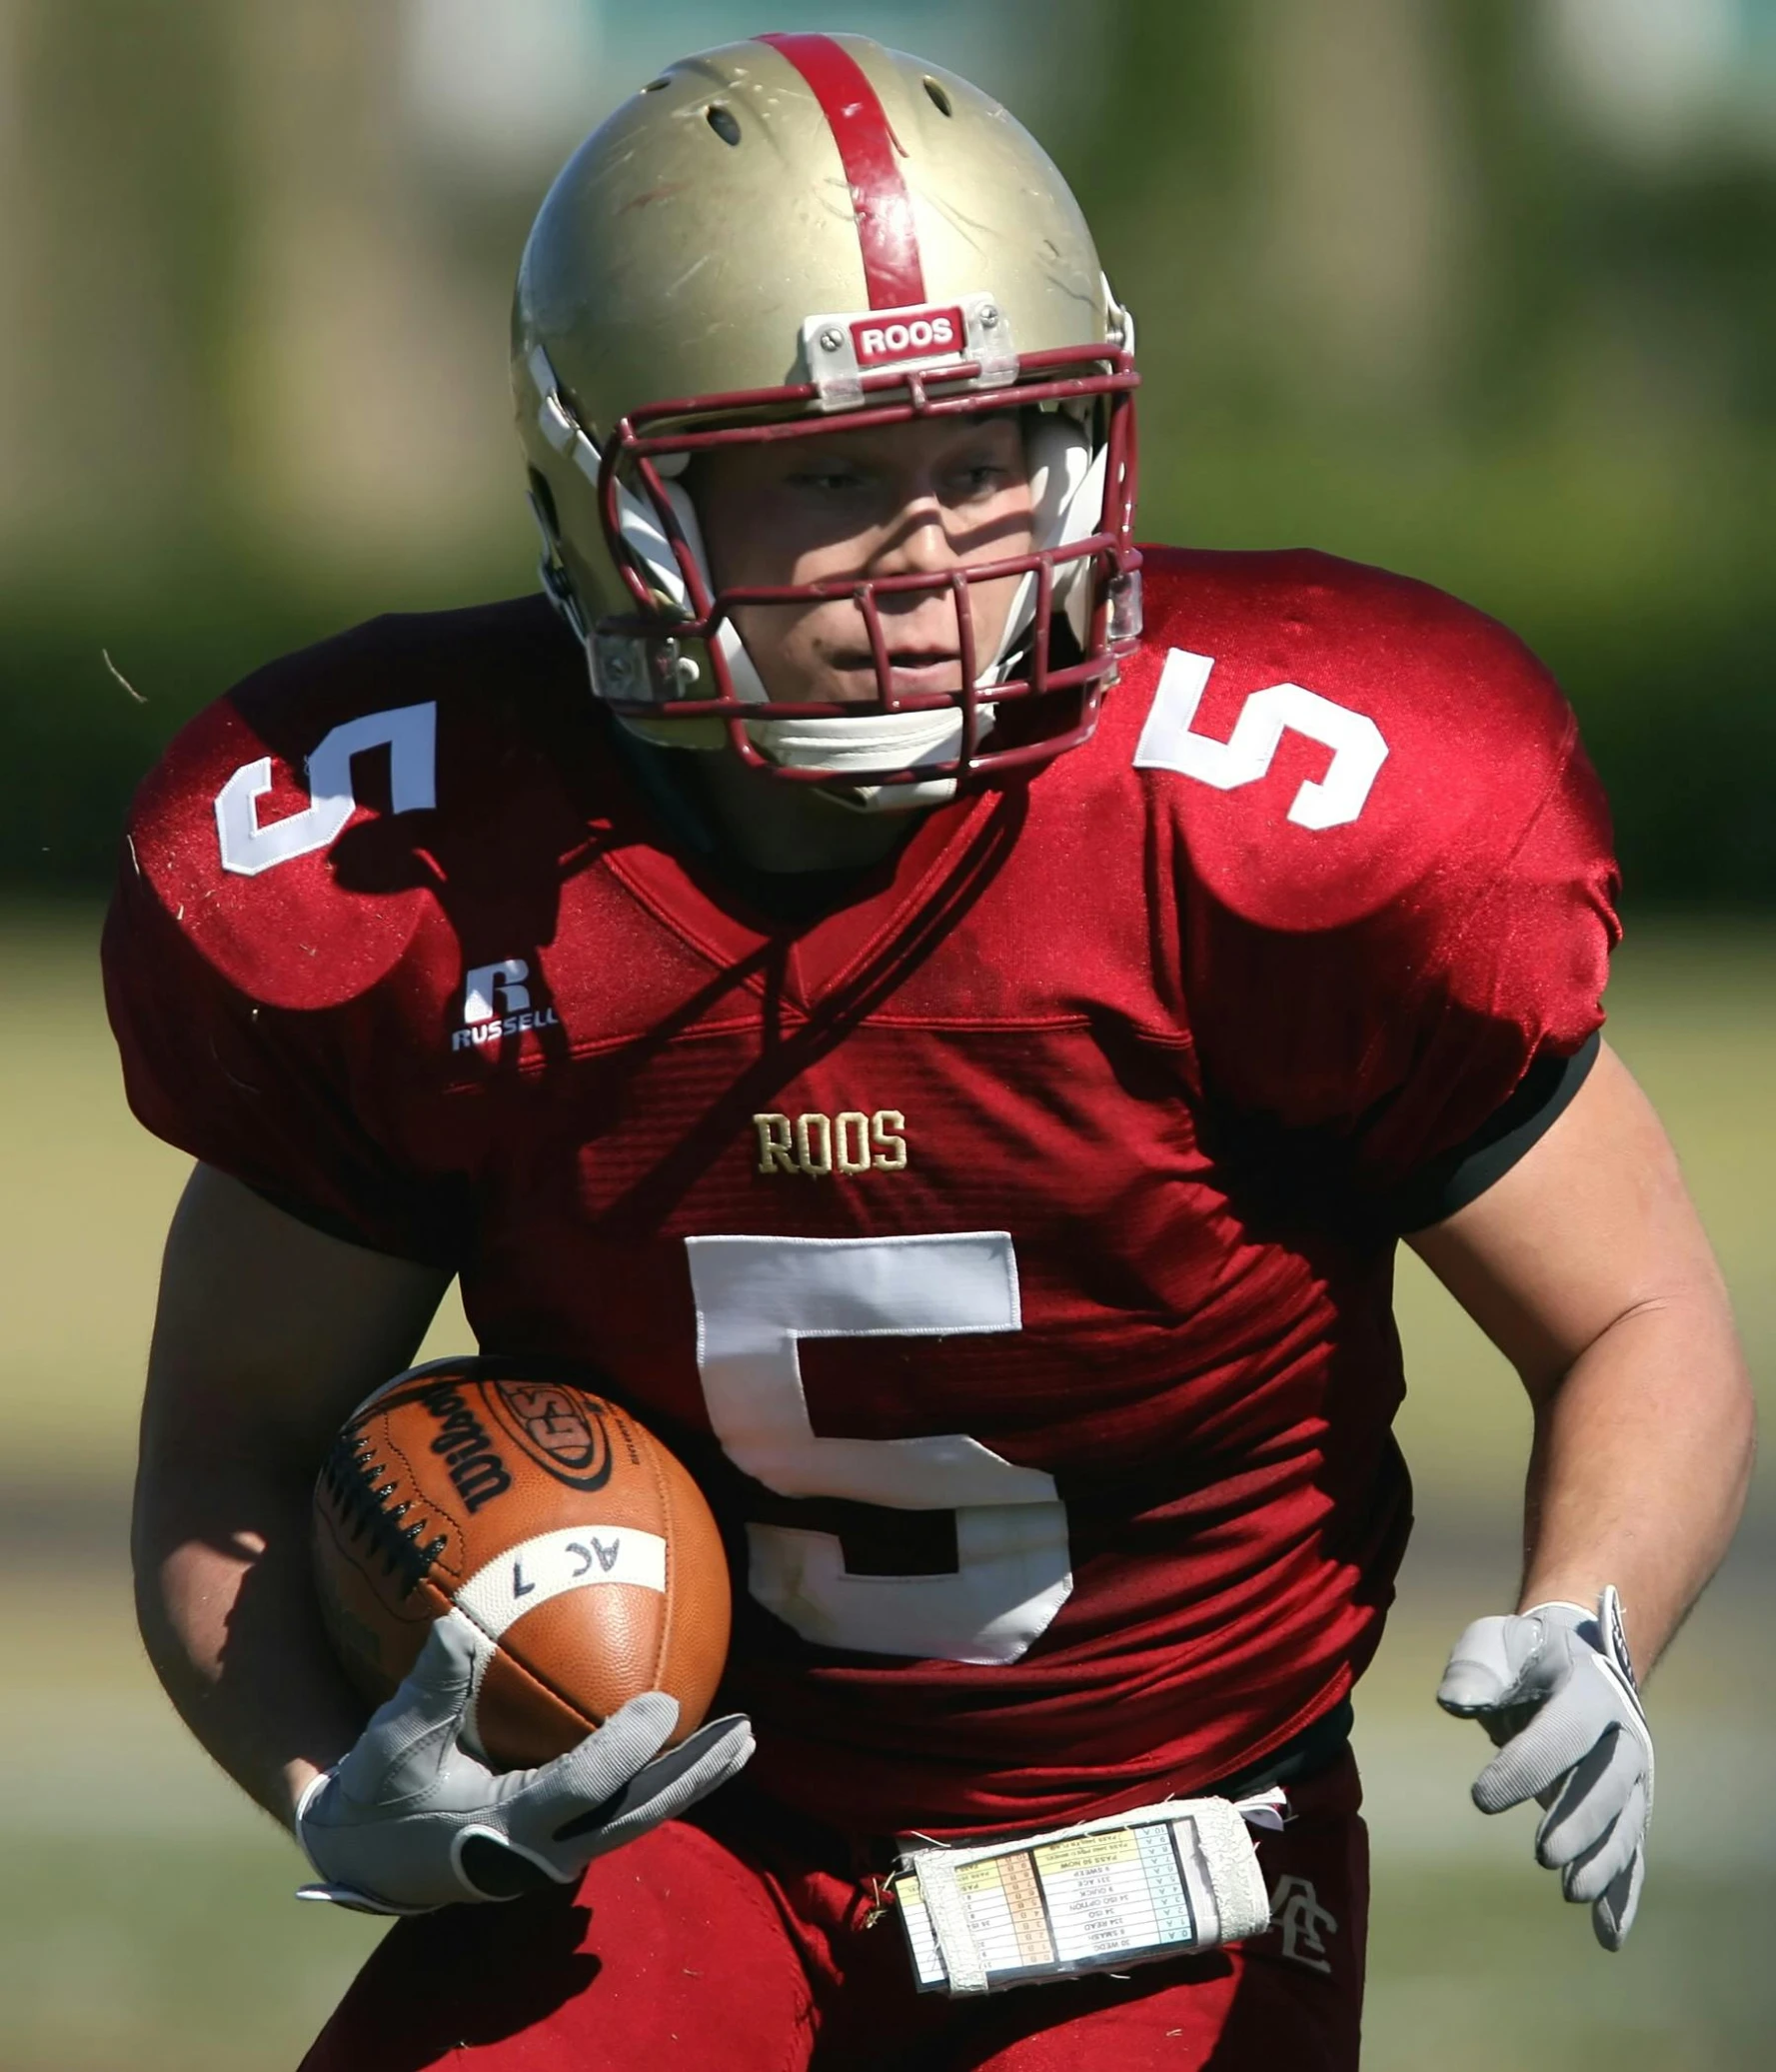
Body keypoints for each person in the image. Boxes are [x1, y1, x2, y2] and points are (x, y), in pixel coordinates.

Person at [103, 32, 1752, 2072]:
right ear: (616, 491)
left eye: (984, 459)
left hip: (1168, 1839)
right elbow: (233, 1446)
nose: (932, 561)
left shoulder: (1276, 814)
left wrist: (1594, 1612)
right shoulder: (419, 862)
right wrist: (328, 1777)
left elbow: (1637, 1315)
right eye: (826, 474)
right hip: (673, 1823)